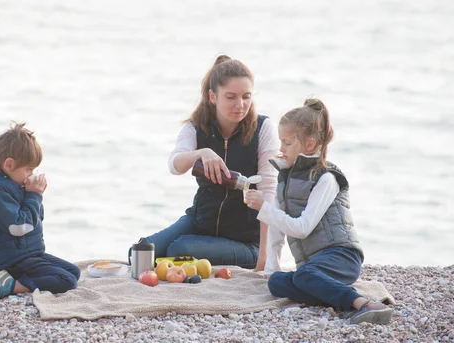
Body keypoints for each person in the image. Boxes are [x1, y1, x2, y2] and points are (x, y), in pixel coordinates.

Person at [244, 98, 393, 324]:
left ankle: (362, 303)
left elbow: (302, 228)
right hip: (313, 266)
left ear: (309, 144)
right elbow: (277, 227)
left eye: (287, 143)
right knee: (276, 283)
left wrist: (263, 207)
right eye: (280, 142)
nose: (280, 149)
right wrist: (271, 268)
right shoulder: (286, 178)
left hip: (342, 257)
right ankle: (329, 294)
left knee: (303, 276)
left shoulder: (326, 178)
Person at [134, 55, 279, 270]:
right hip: (200, 223)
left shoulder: (263, 128)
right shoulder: (196, 127)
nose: (240, 105)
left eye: (246, 96)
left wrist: (265, 258)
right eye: (231, 97)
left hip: (246, 242)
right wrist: (202, 152)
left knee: (179, 249)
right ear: (213, 96)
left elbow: (269, 191)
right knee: (140, 252)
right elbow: (175, 165)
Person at [0, 121, 80, 301]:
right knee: (65, 280)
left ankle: (17, 280)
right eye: (28, 169)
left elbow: (34, 219)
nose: (31, 174)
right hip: (6, 262)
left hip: (24, 256)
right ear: (9, 165)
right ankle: (8, 285)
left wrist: (33, 195)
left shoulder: (11, 183)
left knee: (73, 271)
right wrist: (34, 195)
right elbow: (18, 227)